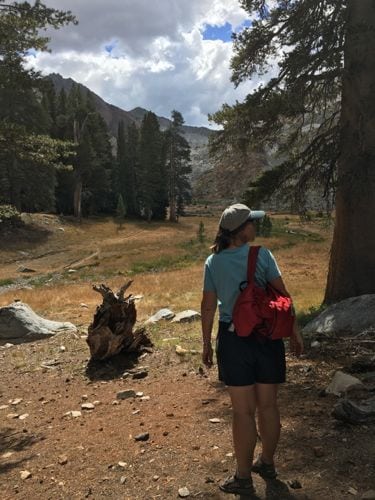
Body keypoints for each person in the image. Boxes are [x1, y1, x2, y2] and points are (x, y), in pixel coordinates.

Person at [201, 203, 303, 496]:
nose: (255, 226)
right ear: (240, 230)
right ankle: (267, 464)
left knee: (243, 412)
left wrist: (207, 343)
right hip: (268, 338)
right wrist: (293, 331)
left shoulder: (213, 262)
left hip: (234, 341)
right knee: (268, 406)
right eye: (251, 223)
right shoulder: (263, 255)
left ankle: (243, 477)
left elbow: (208, 306)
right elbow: (283, 296)